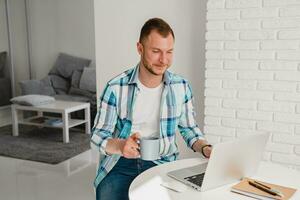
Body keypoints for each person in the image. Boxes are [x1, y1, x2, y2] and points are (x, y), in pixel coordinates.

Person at [91, 18, 212, 200]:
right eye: (156, 51)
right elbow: (97, 136)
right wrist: (121, 146)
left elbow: (189, 129)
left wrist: (205, 148)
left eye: (169, 52)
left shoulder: (181, 86)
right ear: (140, 48)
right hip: (119, 163)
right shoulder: (116, 87)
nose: (163, 60)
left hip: (162, 162)